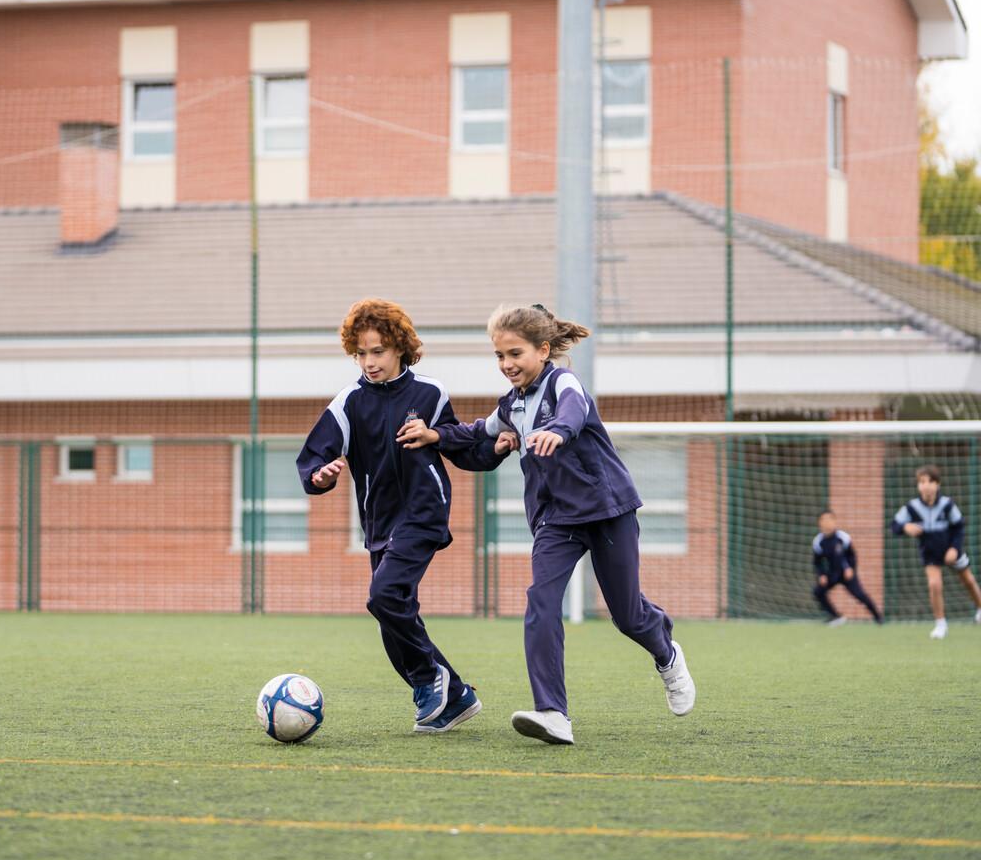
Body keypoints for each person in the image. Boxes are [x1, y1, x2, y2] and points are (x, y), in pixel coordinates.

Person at [398, 304, 695, 746]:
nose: (506, 364)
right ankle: (553, 713)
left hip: (607, 510)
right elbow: (479, 431)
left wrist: (558, 430)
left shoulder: (563, 383)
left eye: (514, 353)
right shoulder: (513, 404)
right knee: (540, 603)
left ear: (543, 349)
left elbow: (574, 411)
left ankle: (667, 655)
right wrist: (436, 435)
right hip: (556, 520)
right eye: (499, 356)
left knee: (628, 615)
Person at [296, 298, 498, 733]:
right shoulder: (348, 403)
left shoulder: (430, 393)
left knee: (383, 596)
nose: (369, 362)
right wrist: (321, 475)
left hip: (424, 512)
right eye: (361, 353)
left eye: (378, 351)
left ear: (401, 348)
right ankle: (456, 695)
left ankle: (428, 678)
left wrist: (492, 449)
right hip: (379, 523)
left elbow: (457, 443)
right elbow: (314, 459)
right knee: (392, 614)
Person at [891, 464, 981, 639]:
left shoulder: (947, 505)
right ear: (918, 485)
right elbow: (894, 525)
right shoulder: (912, 507)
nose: (926, 485)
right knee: (934, 584)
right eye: (922, 482)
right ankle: (941, 624)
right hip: (930, 553)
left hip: (950, 550)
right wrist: (905, 527)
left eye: (930, 481)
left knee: (968, 581)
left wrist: (954, 548)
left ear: (938, 484)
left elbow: (959, 527)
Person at [810, 510, 882, 626]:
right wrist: (822, 575)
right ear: (820, 523)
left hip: (845, 573)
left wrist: (851, 569)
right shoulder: (818, 541)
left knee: (860, 595)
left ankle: (878, 617)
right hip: (831, 574)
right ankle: (836, 616)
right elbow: (817, 562)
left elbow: (852, 556)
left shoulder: (843, 537)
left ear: (835, 522)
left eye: (830, 519)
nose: (827, 523)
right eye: (824, 520)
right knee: (818, 592)